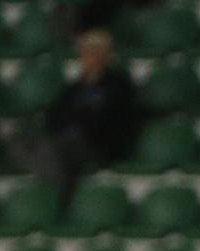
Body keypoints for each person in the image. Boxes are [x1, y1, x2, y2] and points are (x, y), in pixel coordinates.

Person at [11, 29, 139, 206]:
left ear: (105, 55)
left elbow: (114, 118)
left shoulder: (119, 84)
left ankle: (61, 193)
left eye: (94, 52)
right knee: (21, 140)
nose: (88, 57)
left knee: (54, 148)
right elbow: (54, 114)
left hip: (98, 143)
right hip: (68, 137)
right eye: (86, 52)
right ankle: (58, 176)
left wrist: (79, 121)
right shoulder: (75, 86)